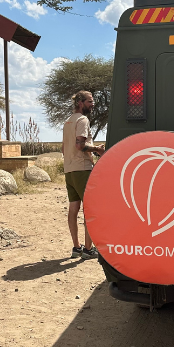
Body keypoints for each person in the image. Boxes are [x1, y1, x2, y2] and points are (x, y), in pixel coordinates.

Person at [62, 90, 105, 260]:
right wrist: (97, 149)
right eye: (89, 101)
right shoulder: (82, 120)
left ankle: (76, 247)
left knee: (73, 208)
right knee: (90, 209)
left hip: (69, 170)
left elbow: (65, 148)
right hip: (83, 169)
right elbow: (80, 145)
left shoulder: (67, 122)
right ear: (80, 102)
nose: (92, 104)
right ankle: (88, 249)